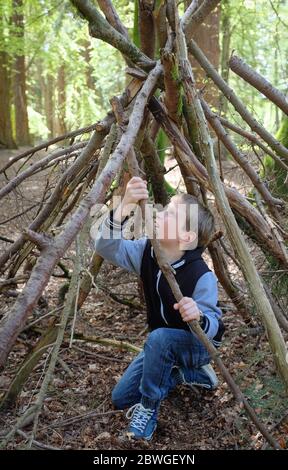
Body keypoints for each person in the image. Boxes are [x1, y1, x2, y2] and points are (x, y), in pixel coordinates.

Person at [93, 176, 224, 441]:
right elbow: (105, 246)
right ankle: (183, 374)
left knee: (160, 337)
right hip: (160, 347)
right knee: (121, 398)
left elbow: (216, 325)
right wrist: (125, 204)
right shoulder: (147, 252)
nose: (160, 213)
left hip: (195, 345)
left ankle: (149, 411)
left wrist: (198, 314)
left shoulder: (201, 276)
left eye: (170, 214)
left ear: (186, 237)